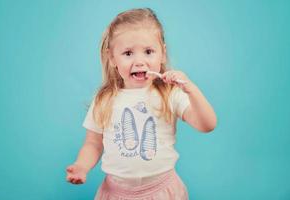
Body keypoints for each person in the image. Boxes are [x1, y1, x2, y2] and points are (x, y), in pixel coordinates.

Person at [66, 8, 217, 200]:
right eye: (128, 53)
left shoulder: (169, 94)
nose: (139, 61)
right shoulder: (104, 99)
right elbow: (93, 143)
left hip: (162, 191)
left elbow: (208, 125)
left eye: (148, 52)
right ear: (112, 57)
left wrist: (191, 89)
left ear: (162, 53)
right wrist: (81, 166)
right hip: (116, 193)